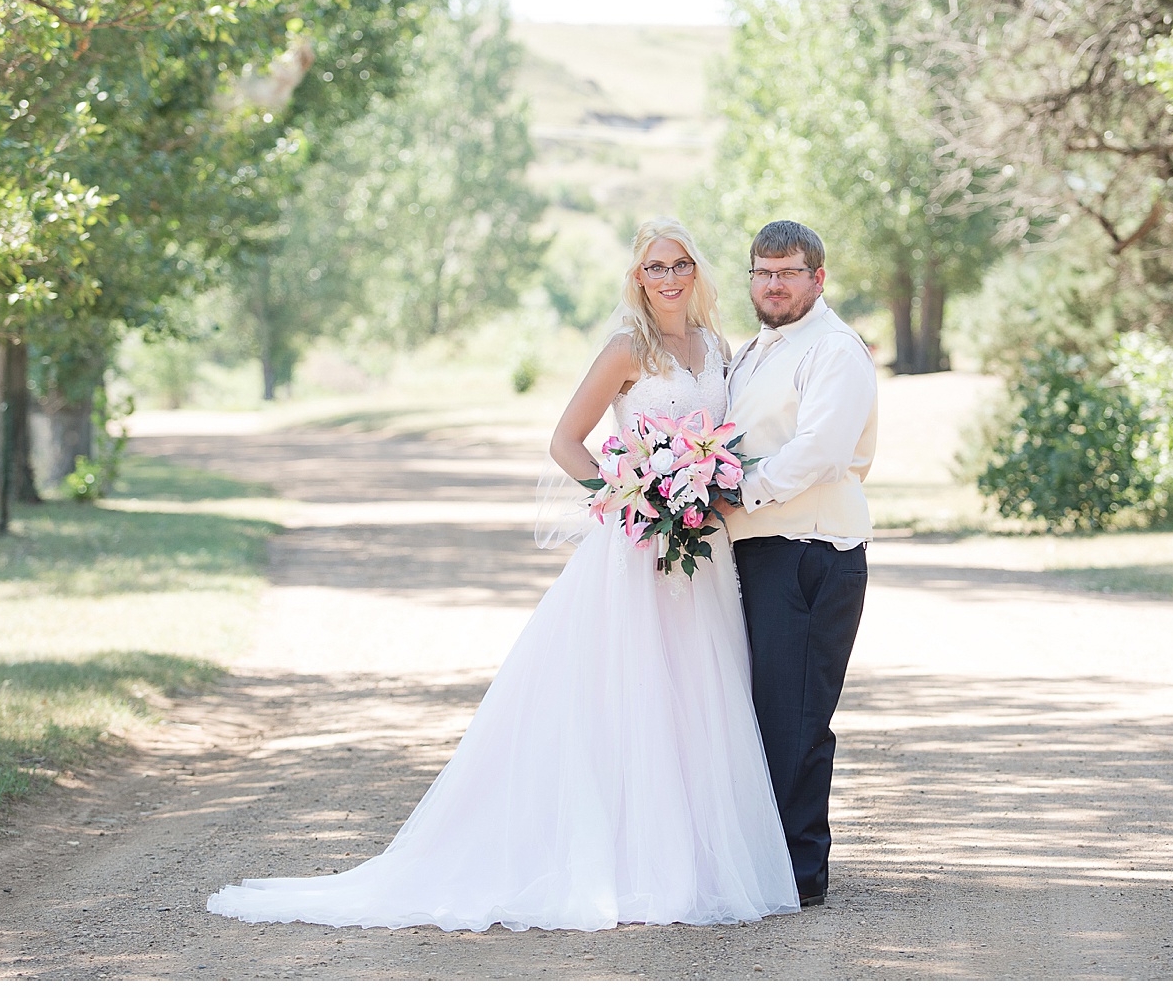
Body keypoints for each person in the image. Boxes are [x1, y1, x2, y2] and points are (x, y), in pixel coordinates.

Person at [206, 218, 799, 932]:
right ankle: (621, 863)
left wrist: (696, 491)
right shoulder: (627, 349)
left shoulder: (716, 347)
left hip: (700, 554)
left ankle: (695, 864)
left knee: (695, 698)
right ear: (637, 279)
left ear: (697, 272)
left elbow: (718, 441)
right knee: (632, 695)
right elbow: (565, 441)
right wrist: (631, 494)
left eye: (678, 264)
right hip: (638, 549)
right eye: (653, 268)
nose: (668, 278)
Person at [719, 220, 877, 909]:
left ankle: (799, 873)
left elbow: (820, 451)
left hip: (811, 553)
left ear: (818, 279)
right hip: (757, 551)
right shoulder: (755, 350)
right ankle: (761, 861)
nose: (773, 284)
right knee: (756, 713)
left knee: (796, 717)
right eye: (763, 271)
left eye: (788, 273)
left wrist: (736, 493)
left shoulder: (834, 349)